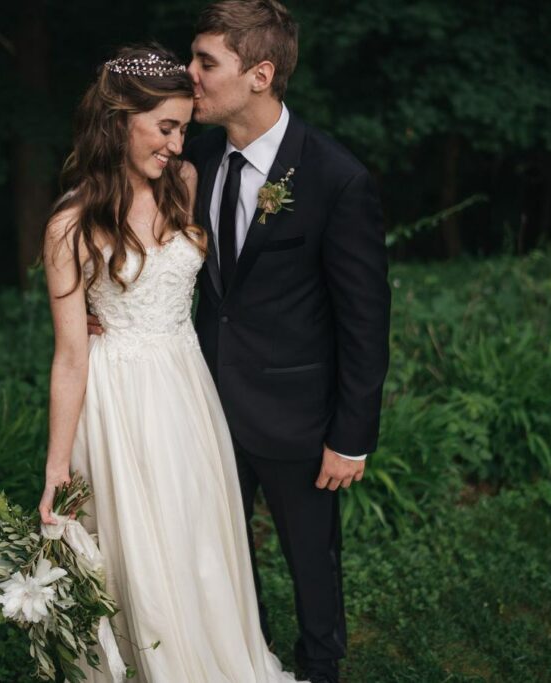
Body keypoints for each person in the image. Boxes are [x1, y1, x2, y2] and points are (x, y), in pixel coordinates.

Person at [39, 44, 303, 681]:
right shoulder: (70, 227)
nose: (178, 144)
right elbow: (71, 357)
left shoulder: (186, 184)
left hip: (187, 387)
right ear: (118, 122)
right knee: (140, 550)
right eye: (165, 128)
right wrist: (54, 471)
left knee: (199, 539)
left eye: (185, 128)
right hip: (120, 401)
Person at [181, 2, 392, 681]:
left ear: (260, 74)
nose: (189, 75)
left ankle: (320, 667)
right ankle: (248, 662)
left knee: (311, 557)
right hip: (207, 403)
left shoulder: (336, 178)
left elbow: (364, 318)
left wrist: (351, 433)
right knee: (222, 556)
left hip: (300, 417)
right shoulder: (198, 155)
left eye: (205, 62)